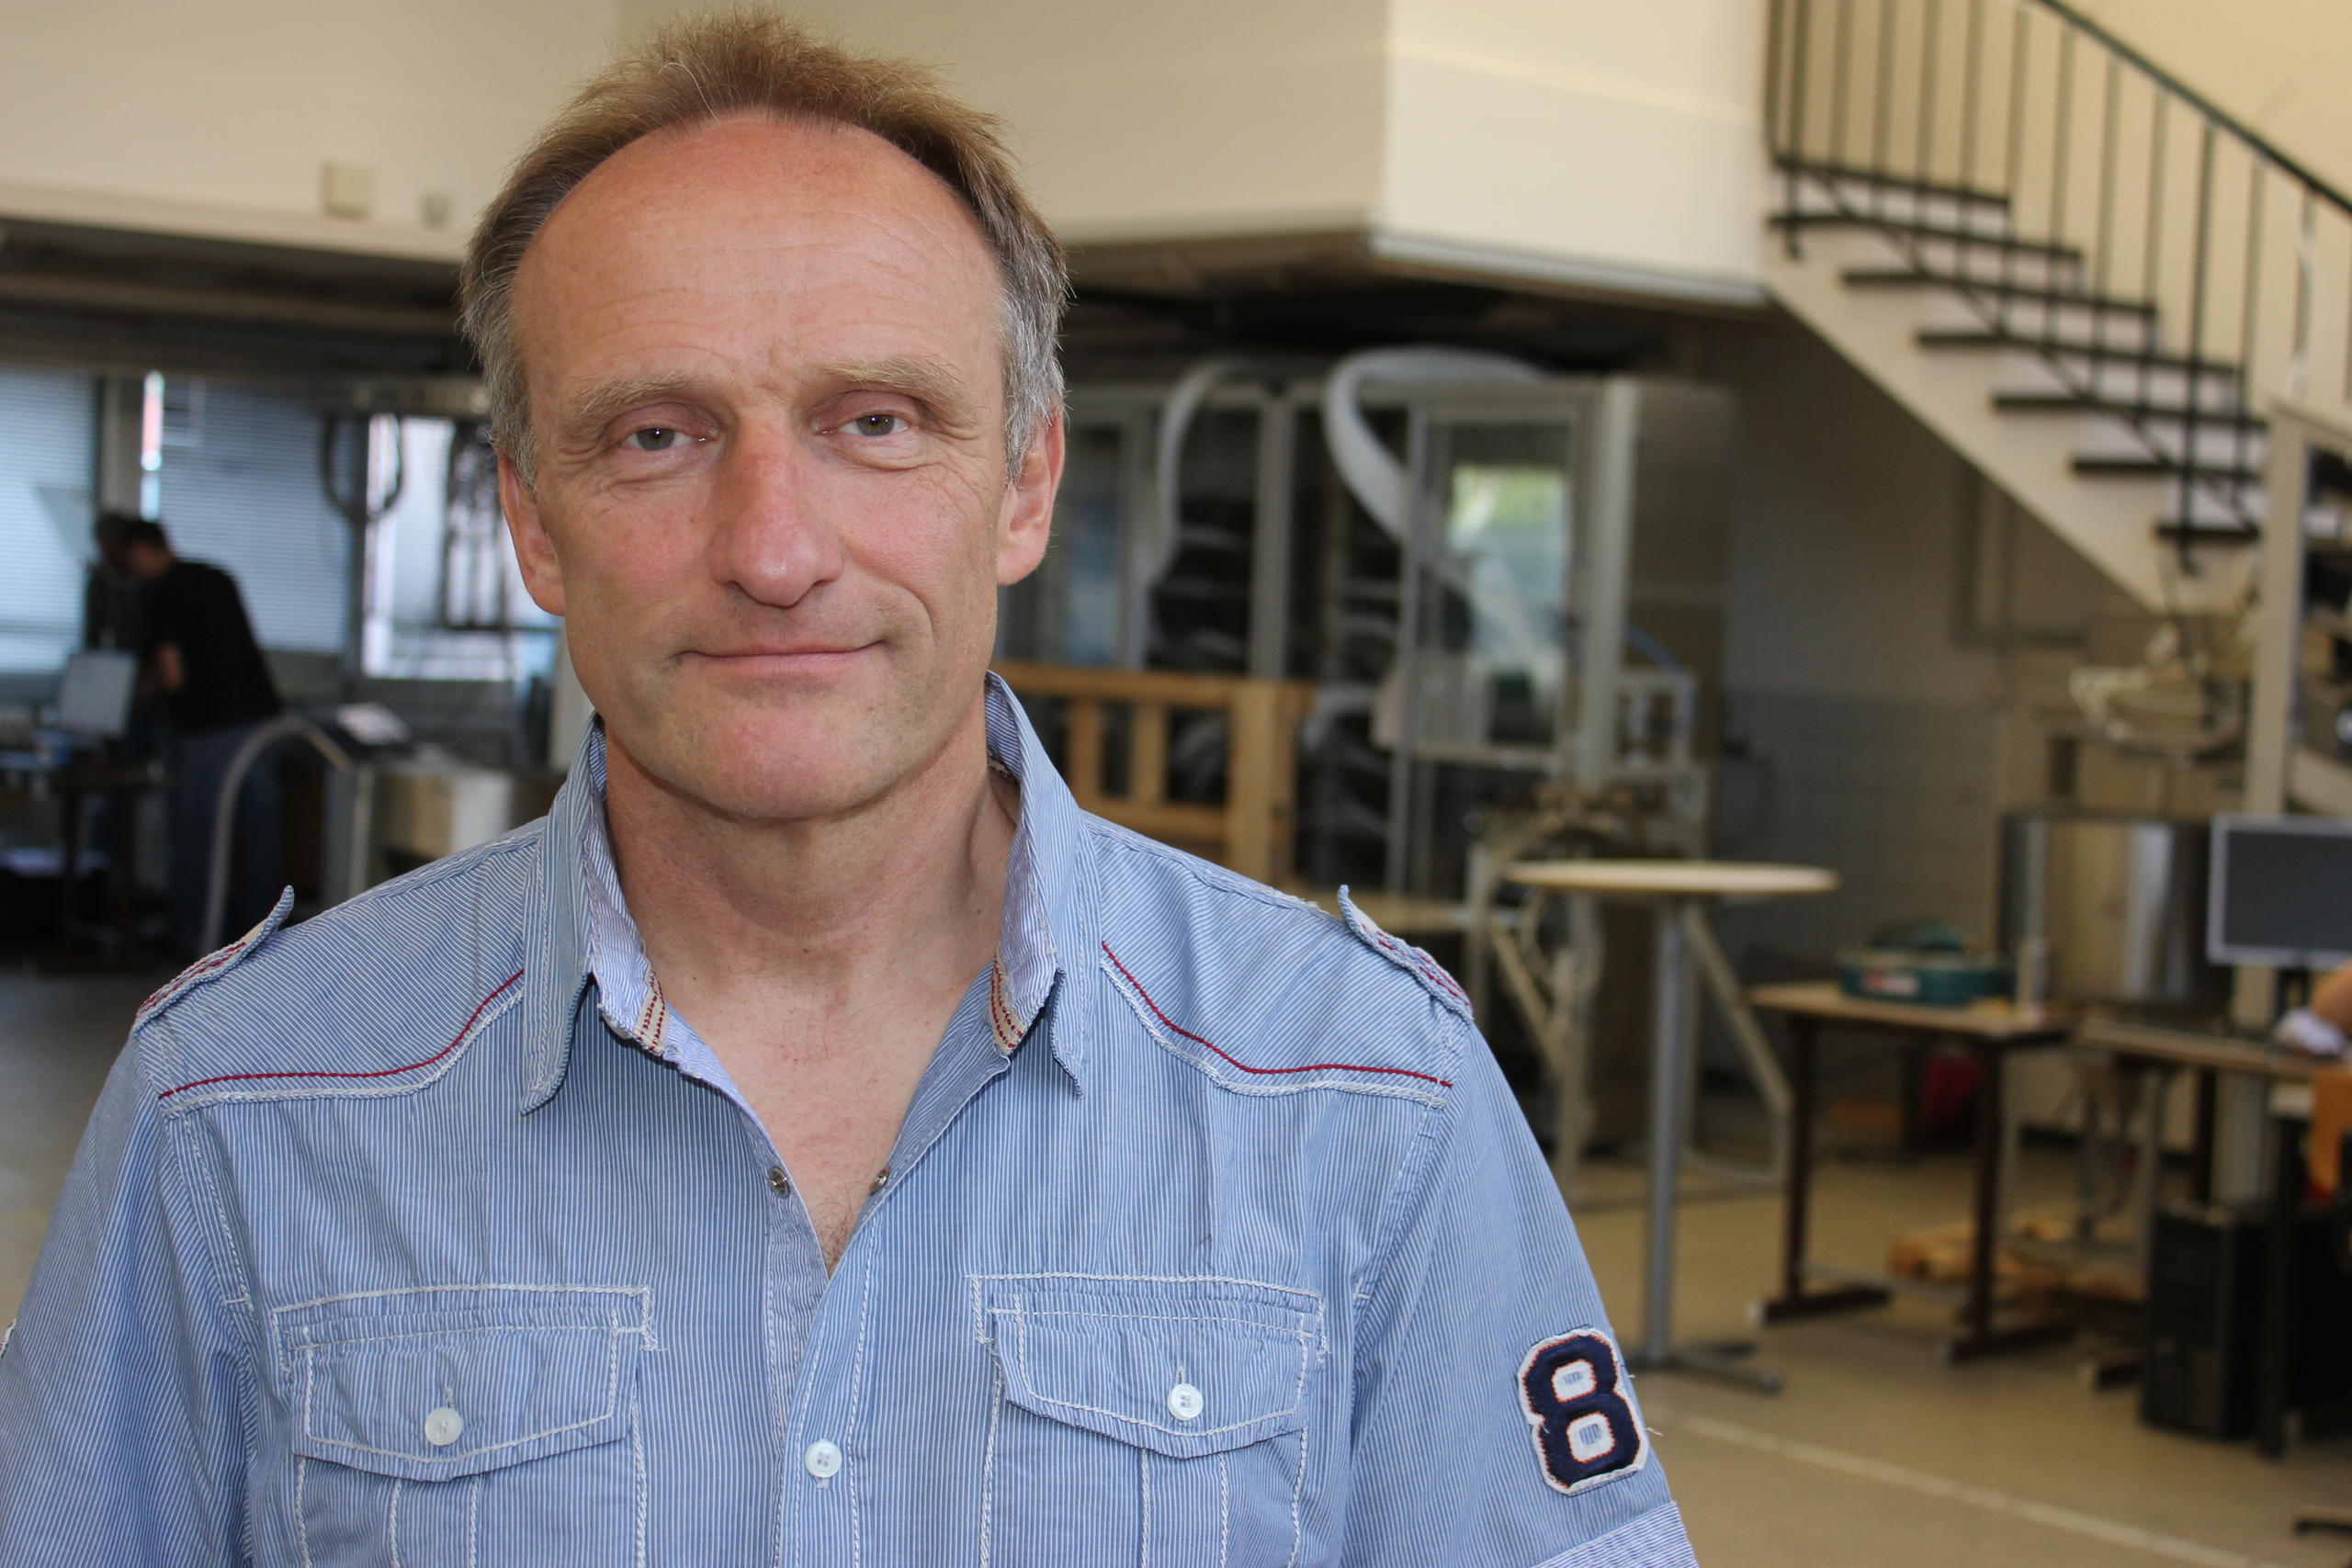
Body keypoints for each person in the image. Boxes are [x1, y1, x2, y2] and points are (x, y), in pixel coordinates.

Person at [0, 17, 1696, 1567]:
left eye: (875, 422)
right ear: (530, 517)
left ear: (1023, 481)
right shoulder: (239, 1112)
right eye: (657, 435)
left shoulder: (1366, 1092)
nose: (774, 550)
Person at [119, 516, 283, 954]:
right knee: (259, 834)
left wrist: (134, 699)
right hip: (262, 720)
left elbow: (172, 675)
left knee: (199, 833)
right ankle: (266, 940)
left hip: (212, 729)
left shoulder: (162, 592)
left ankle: (192, 936)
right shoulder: (216, 576)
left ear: (137, 552)